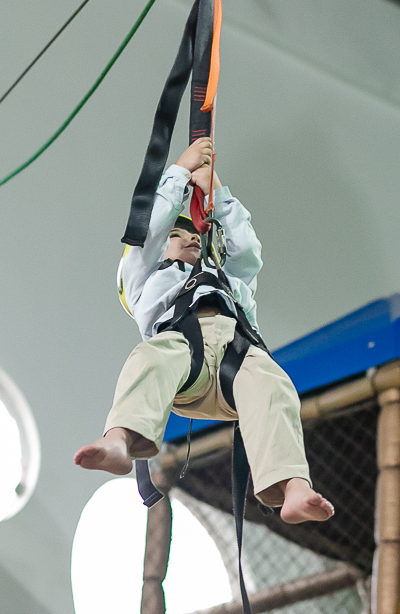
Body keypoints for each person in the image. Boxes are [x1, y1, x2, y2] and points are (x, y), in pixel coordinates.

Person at [75, 137, 334, 524]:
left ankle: (293, 486)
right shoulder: (148, 283)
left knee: (273, 384)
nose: (191, 238)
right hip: (184, 359)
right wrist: (178, 172)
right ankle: (120, 439)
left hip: (237, 363)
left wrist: (217, 194)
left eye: (194, 235)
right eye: (176, 236)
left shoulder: (230, 280)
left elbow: (247, 249)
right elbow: (147, 232)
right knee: (150, 357)